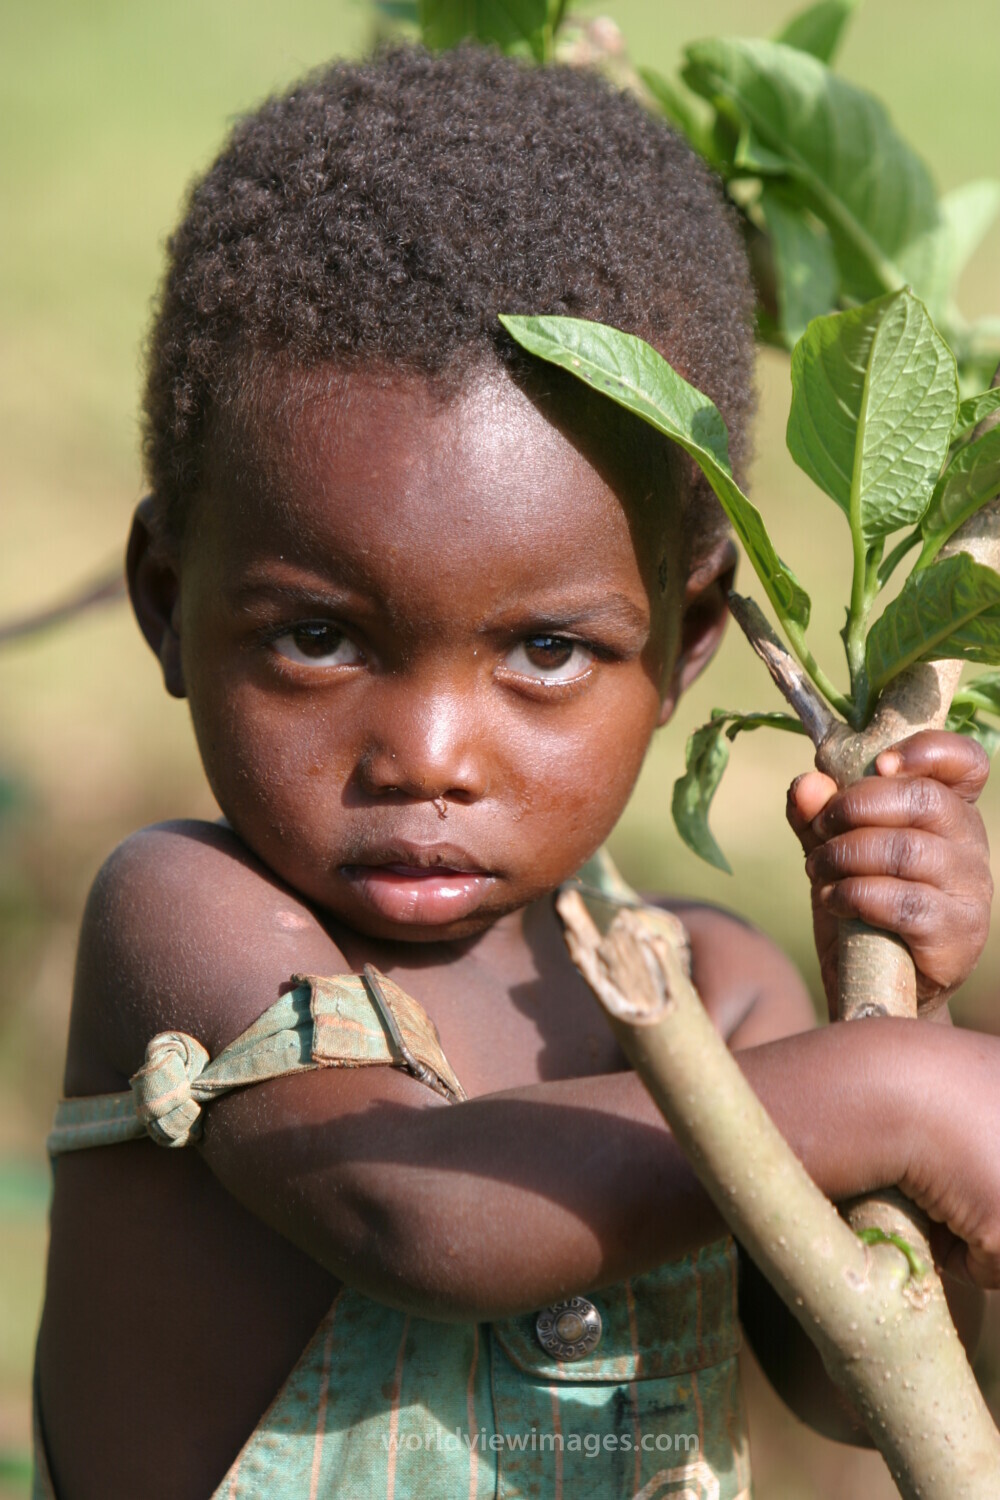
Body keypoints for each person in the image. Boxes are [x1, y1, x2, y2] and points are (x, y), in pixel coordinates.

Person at [32, 43, 1000, 1500]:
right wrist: (899, 1091)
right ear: (169, 602)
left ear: (684, 640)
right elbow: (418, 1216)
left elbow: (870, 1378)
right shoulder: (185, 919)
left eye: (546, 650)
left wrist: (912, 1000)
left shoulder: (720, 994)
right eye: (317, 638)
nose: (427, 756)